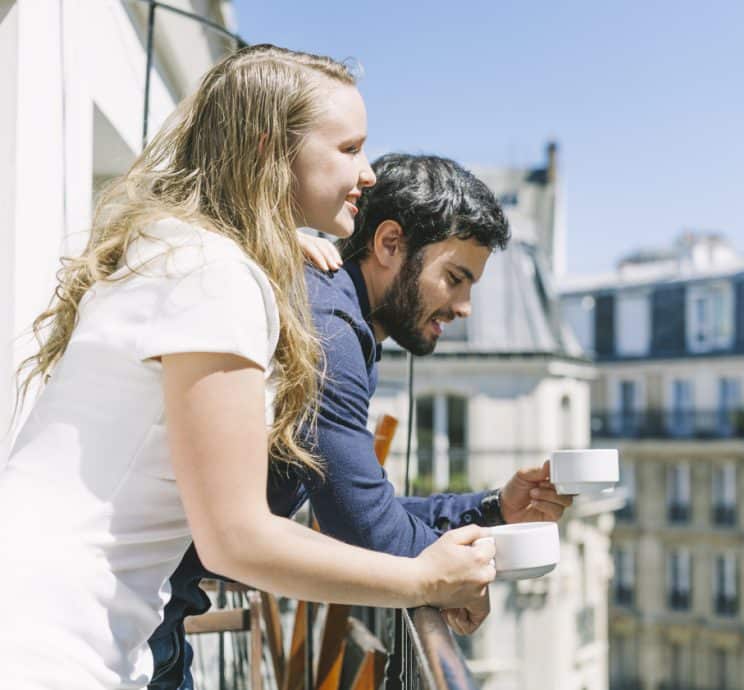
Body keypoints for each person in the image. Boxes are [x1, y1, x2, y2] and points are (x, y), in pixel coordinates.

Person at [0, 45, 495, 690]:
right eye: (348, 149)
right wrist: (423, 580)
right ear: (269, 149)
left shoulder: (179, 251)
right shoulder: (213, 275)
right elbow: (236, 536)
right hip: (52, 637)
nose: (368, 173)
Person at [147, 153, 576, 689]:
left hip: (157, 613)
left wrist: (489, 510)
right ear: (389, 244)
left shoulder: (334, 314)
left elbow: (352, 506)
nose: (464, 306)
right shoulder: (331, 330)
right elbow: (368, 530)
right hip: (138, 623)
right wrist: (458, 577)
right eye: (455, 277)